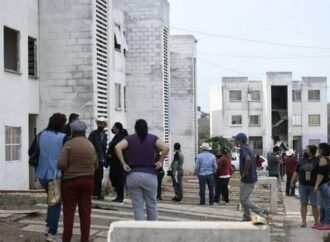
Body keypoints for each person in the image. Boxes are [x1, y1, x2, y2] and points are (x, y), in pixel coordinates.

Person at [114, 119, 169, 220]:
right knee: (152, 204)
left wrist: (123, 164)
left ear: (135, 128)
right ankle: (152, 230)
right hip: (150, 175)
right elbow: (166, 148)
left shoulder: (130, 138)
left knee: (137, 206)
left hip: (133, 175)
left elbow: (117, 147)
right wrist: (160, 161)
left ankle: (140, 230)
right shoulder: (153, 138)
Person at [58, 120, 98, 242]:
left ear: (72, 131)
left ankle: (67, 239)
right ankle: (84, 239)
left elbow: (62, 164)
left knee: (69, 212)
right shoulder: (90, 145)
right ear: (84, 131)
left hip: (71, 182)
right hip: (88, 181)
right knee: (86, 212)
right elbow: (96, 165)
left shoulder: (69, 144)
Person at [35, 113, 66, 242]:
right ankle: (51, 233)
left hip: (41, 173)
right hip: (55, 174)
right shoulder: (63, 137)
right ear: (61, 124)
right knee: (55, 204)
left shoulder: (41, 134)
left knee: (52, 202)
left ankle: (49, 227)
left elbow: (32, 151)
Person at [233, 133, 268, 221]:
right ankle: (246, 216)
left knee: (244, 199)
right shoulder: (248, 148)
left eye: (236, 140)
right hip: (251, 177)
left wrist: (245, 172)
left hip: (247, 178)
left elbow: (248, 159)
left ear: (240, 141)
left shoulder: (243, 149)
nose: (235, 141)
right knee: (245, 198)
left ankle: (261, 211)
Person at [290, 145, 319, 228]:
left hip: (313, 186)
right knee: (303, 203)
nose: (305, 151)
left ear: (312, 152)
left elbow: (320, 173)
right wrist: (292, 182)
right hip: (302, 185)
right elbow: (296, 172)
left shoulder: (317, 161)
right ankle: (303, 221)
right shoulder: (301, 161)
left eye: (307, 150)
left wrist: (317, 185)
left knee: (314, 204)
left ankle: (316, 222)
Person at [106, 122, 128, 203]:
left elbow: (119, 149)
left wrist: (112, 155)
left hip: (119, 161)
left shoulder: (122, 137)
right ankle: (118, 196)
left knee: (119, 179)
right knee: (113, 177)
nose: (112, 129)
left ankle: (120, 197)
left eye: (113, 127)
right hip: (114, 162)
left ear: (117, 128)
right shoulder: (116, 136)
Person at [88, 117, 108, 200]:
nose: (100, 125)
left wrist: (105, 158)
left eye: (102, 123)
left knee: (100, 176)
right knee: (93, 175)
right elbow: (89, 145)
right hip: (93, 158)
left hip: (101, 159)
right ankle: (93, 192)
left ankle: (98, 192)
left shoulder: (105, 135)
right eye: (99, 123)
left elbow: (104, 148)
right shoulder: (93, 134)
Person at [313, 143, 330, 230]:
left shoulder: (323, 159)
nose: (318, 150)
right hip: (322, 185)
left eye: (319, 148)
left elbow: (321, 174)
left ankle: (327, 222)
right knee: (322, 205)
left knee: (327, 205)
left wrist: (316, 185)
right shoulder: (322, 159)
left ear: (323, 150)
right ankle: (322, 222)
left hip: (323, 185)